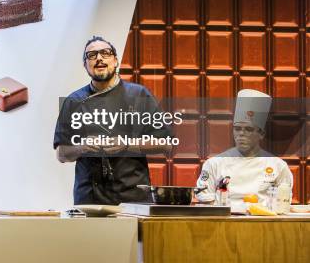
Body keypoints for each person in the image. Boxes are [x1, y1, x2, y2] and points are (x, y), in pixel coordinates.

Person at [54, 36, 173, 205]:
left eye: (105, 53)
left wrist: (126, 144)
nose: (99, 58)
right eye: (92, 55)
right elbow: (61, 154)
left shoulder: (139, 95)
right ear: (85, 65)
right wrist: (82, 147)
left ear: (116, 61)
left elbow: (166, 143)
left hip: (133, 197)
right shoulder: (74, 101)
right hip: (89, 199)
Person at [195, 89, 293, 208]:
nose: (241, 134)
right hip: (224, 224)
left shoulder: (278, 166)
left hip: (263, 223)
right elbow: (205, 202)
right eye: (237, 128)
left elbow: (283, 204)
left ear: (261, 134)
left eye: (249, 129)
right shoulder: (214, 164)